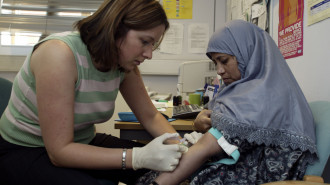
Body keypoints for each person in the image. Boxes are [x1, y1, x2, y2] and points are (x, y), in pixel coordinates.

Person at [0, 0, 187, 185]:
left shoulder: (122, 63)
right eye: (144, 41)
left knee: (176, 168)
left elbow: (150, 116)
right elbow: (59, 152)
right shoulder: (59, 54)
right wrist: (136, 157)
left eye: (152, 45)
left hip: (81, 141)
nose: (149, 54)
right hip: (24, 149)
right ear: (115, 28)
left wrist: (181, 147)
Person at [137, 20, 318, 185]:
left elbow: (206, 147)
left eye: (224, 61)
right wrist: (199, 121)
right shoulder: (258, 87)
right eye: (216, 63)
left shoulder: (260, 97)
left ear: (248, 54)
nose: (220, 71)